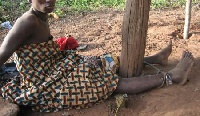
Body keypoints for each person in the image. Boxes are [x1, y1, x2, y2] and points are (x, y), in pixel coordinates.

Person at [0, 0, 194, 113]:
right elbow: (2, 54)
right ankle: (169, 77)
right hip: (45, 84)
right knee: (107, 82)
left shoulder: (40, 17)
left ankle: (154, 59)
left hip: (56, 69)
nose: (49, 0)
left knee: (103, 61)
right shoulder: (27, 21)